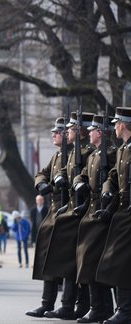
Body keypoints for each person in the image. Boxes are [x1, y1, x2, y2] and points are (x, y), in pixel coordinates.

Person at [43, 112, 95, 320]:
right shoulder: (70, 153)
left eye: (71, 129)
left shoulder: (88, 151)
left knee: (80, 261)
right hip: (69, 209)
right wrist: (57, 178)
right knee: (69, 259)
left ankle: (82, 305)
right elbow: (59, 172)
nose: (67, 132)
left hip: (82, 210)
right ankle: (68, 305)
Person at [72, 114, 117, 323]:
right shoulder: (92, 155)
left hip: (104, 212)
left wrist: (108, 206)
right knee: (88, 260)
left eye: (92, 131)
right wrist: (79, 182)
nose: (88, 133)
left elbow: (115, 180)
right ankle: (97, 307)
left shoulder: (111, 153)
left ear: (100, 133)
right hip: (91, 211)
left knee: (98, 261)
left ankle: (103, 307)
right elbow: (82, 173)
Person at [26, 117, 69, 318]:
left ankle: (68, 304)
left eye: (58, 132)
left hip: (68, 211)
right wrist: (43, 183)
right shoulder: (58, 155)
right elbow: (41, 173)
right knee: (48, 258)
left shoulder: (75, 154)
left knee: (67, 262)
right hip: (54, 211)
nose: (54, 135)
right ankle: (47, 303)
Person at [94, 107, 131, 323]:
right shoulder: (121, 150)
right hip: (122, 212)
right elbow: (113, 177)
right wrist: (108, 189)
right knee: (118, 262)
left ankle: (124, 311)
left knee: (120, 262)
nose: (114, 127)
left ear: (123, 125)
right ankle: (123, 310)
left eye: (116, 123)